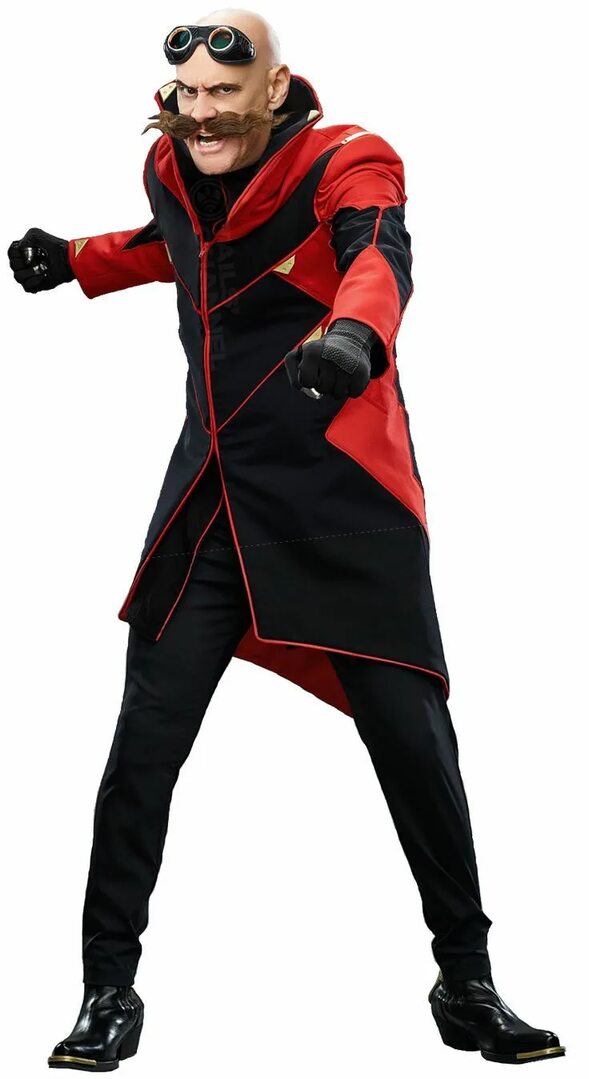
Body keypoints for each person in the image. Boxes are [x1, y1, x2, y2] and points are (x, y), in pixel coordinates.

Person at [7, 8, 565, 1071]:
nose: (204, 113)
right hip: (211, 501)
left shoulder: (347, 159)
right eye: (188, 95)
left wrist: (352, 334)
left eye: (227, 92)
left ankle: (466, 980)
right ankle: (106, 990)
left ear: (274, 87)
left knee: (413, 745)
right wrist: (76, 259)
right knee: (142, 748)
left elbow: (376, 256)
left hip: (343, 501)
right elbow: (177, 251)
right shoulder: (171, 168)